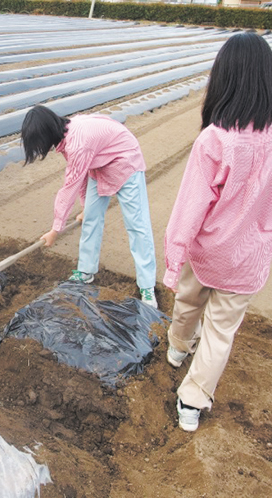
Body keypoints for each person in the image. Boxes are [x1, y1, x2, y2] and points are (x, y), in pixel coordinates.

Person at [164, 32, 272, 432]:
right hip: (250, 257)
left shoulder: (215, 139)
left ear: (223, 77)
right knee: (221, 331)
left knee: (189, 300)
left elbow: (190, 208)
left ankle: (176, 350)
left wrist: (174, 260)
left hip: (208, 250)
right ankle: (192, 403)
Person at [20, 105, 158, 308]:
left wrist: (55, 229)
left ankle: (147, 287)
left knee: (137, 225)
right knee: (91, 218)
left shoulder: (78, 143)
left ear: (47, 132)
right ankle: (86, 272)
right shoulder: (67, 136)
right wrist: (85, 207)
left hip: (125, 162)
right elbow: (82, 175)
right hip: (100, 163)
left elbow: (70, 187)